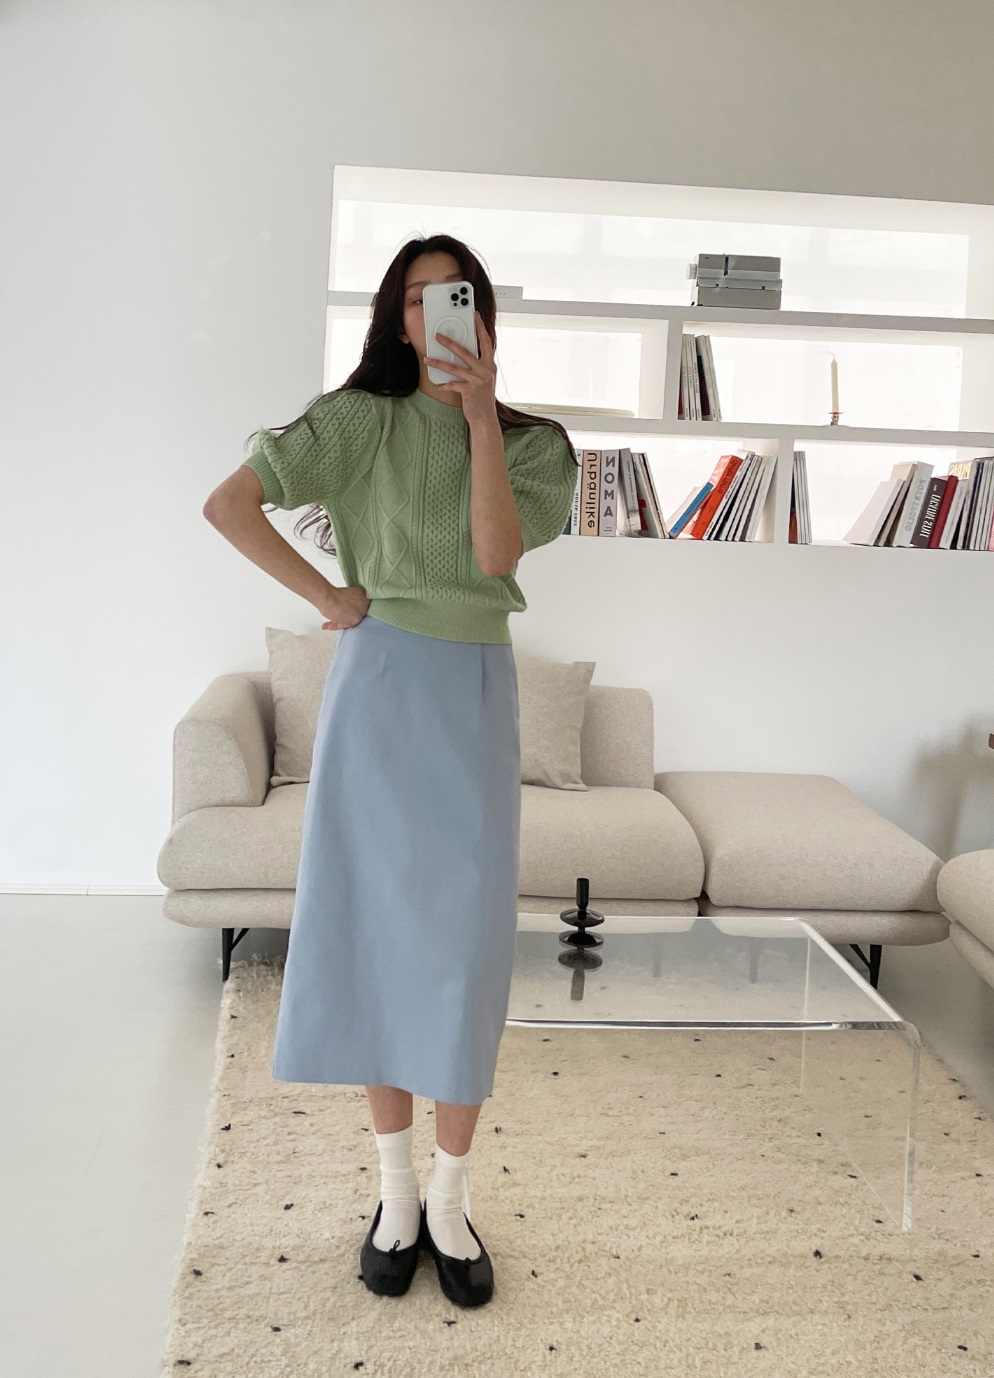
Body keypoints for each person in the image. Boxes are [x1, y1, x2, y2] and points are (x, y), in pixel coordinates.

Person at [203, 233, 580, 1308]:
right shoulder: (358, 421)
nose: (433, 313)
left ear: (482, 314)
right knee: (377, 936)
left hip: (472, 696)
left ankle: (453, 1198)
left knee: (461, 950)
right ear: (395, 318)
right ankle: (397, 1195)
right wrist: (328, 596)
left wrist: (479, 419)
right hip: (376, 695)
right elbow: (229, 503)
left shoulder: (537, 445)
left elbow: (496, 555)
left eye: (452, 296)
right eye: (416, 299)